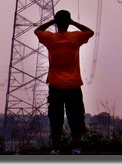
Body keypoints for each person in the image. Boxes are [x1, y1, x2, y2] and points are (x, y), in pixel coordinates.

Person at [35, 10, 94, 155]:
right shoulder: (75, 38)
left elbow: (37, 30)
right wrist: (73, 22)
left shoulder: (50, 38)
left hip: (56, 86)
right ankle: (75, 148)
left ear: (57, 23)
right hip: (73, 85)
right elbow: (90, 32)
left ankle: (56, 149)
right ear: (68, 23)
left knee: (56, 118)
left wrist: (52, 21)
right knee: (76, 117)